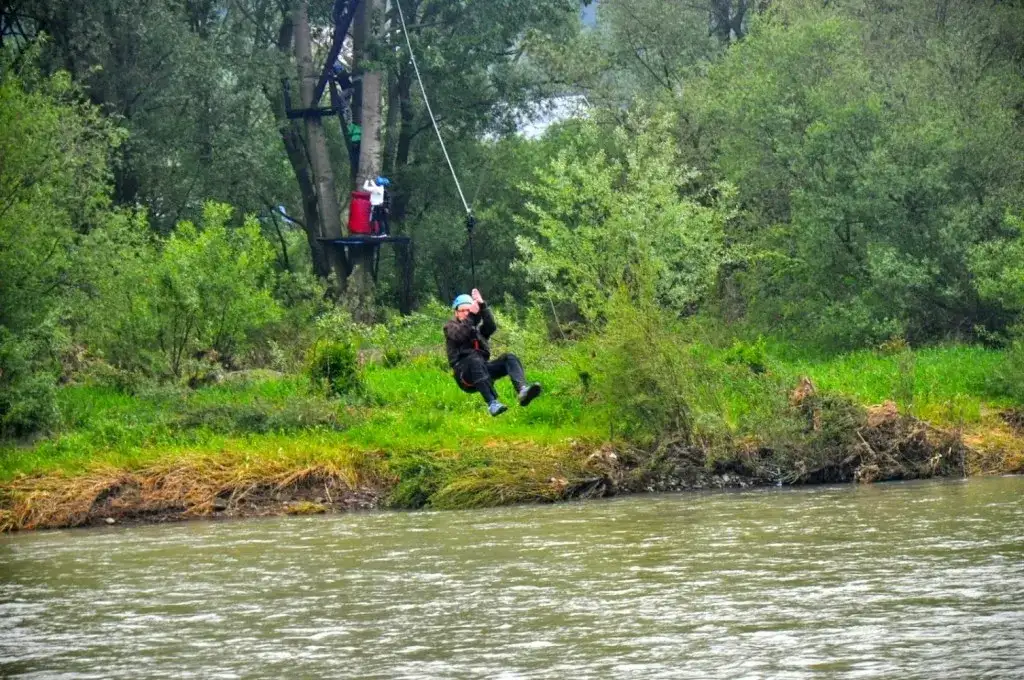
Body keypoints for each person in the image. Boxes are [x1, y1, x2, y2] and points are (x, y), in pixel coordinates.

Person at [443, 289, 542, 416]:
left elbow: (491, 326)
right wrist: (472, 316)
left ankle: (522, 391)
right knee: (474, 359)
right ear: (456, 313)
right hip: (464, 375)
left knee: (509, 357)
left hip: (481, 371)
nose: (466, 313)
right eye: (462, 311)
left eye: (468, 310)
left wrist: (482, 305)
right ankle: (492, 403)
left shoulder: (477, 331)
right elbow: (460, 335)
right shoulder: (449, 328)